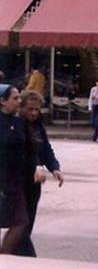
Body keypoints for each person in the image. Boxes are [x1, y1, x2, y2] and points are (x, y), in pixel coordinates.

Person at [14, 90, 63, 257]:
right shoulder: (17, 126)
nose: (34, 113)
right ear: (21, 108)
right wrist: (37, 165)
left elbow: (45, 150)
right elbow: (26, 150)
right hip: (19, 180)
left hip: (34, 183)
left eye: (37, 109)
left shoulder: (38, 126)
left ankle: (13, 257)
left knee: (27, 223)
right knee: (21, 225)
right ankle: (28, 259)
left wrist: (55, 167)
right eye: (30, 109)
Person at [0, 85, 44, 254]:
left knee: (20, 222)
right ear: (2, 102)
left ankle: (5, 258)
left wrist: (37, 166)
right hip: (3, 181)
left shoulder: (19, 123)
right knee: (18, 222)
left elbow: (30, 149)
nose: (19, 101)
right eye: (15, 98)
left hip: (16, 182)